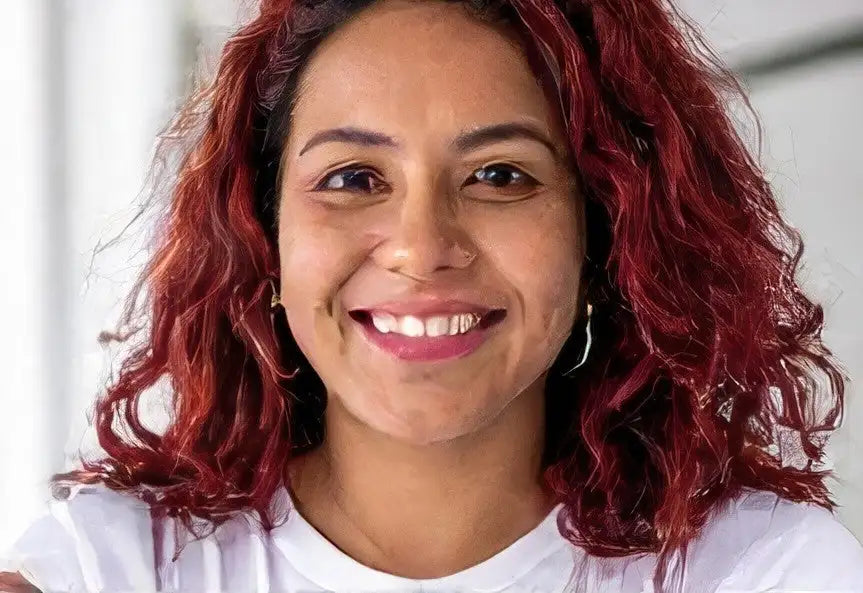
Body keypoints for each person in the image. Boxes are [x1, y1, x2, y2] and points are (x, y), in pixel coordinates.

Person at [2, 0, 862, 591]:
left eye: (499, 175)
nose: (421, 248)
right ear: (264, 236)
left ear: (603, 236)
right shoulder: (113, 567)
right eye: (352, 177)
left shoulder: (761, 569)